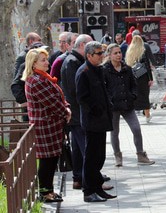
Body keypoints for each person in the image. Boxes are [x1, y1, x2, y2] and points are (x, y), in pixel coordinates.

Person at [61, 34, 112, 191]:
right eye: (97, 52)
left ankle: (79, 178)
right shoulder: (73, 63)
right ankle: (92, 182)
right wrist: (93, 108)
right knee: (89, 152)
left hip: (82, 114)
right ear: (83, 46)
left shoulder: (79, 62)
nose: (101, 55)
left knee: (79, 149)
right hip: (81, 114)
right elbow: (77, 92)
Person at [23, 48, 71, 203]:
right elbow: (52, 102)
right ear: (34, 63)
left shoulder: (43, 77)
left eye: (46, 59)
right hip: (45, 125)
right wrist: (65, 111)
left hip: (51, 124)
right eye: (43, 60)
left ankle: (48, 190)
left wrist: (66, 107)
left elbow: (58, 97)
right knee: (47, 160)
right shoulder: (36, 81)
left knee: (51, 159)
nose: (47, 62)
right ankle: (44, 192)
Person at [76, 41, 116, 202]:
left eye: (102, 53)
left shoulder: (99, 69)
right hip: (92, 121)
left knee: (100, 156)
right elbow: (82, 98)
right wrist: (96, 110)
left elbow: (104, 91)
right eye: (99, 54)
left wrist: (108, 107)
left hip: (102, 120)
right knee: (91, 157)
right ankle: (89, 191)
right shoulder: (83, 72)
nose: (102, 56)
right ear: (89, 55)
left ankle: (98, 188)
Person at [103, 43, 155, 166]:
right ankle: (118, 156)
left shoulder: (127, 68)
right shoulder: (105, 70)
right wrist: (109, 100)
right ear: (109, 55)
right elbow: (103, 88)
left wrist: (133, 96)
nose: (118, 55)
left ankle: (141, 155)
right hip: (113, 106)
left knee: (136, 128)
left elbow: (134, 85)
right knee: (114, 132)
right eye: (115, 53)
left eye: (120, 52)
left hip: (127, 104)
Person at [125, 35, 154, 123]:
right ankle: (147, 115)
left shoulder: (129, 50)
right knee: (145, 96)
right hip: (143, 77)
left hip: (132, 76)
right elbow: (147, 65)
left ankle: (133, 116)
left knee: (134, 96)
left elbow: (127, 64)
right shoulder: (142, 50)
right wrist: (150, 78)